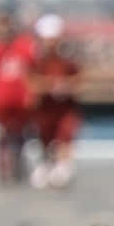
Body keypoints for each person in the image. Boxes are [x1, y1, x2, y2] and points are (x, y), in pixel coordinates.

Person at [0, 10, 37, 183]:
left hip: (20, 97)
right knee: (3, 133)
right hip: (0, 97)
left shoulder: (25, 46)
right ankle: (4, 166)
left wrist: (31, 92)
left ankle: (19, 162)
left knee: (21, 132)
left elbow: (32, 70)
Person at [29, 13, 82, 189]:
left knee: (65, 135)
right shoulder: (36, 57)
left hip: (65, 106)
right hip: (44, 105)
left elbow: (79, 78)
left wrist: (66, 86)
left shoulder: (68, 56)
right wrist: (48, 86)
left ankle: (63, 167)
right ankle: (45, 166)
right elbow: (30, 79)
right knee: (44, 137)